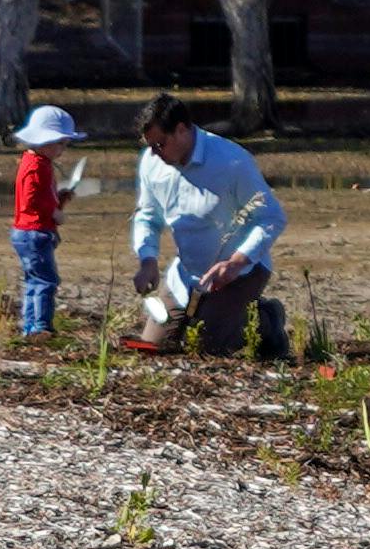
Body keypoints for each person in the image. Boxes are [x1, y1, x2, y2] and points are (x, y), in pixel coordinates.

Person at [122, 95, 287, 357]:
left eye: (160, 145)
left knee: (209, 348)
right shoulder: (152, 162)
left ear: (181, 129)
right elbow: (148, 215)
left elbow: (271, 218)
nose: (154, 153)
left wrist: (236, 262)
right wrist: (147, 260)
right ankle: (201, 315)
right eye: (150, 146)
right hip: (187, 274)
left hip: (241, 271)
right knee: (155, 348)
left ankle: (267, 318)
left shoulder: (232, 161)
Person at [7, 102, 82, 340]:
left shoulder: (39, 163)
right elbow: (31, 199)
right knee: (45, 280)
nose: (63, 148)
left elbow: (41, 195)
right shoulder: (36, 166)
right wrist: (54, 212)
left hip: (30, 230)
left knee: (35, 279)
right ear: (44, 141)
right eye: (60, 143)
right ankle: (39, 327)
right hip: (34, 232)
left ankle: (30, 326)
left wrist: (59, 198)